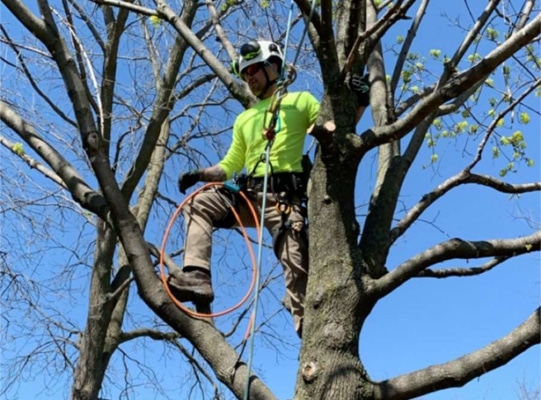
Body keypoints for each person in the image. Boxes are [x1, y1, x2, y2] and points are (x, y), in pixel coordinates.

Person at [169, 40, 370, 338]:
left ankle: (310, 335)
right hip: (250, 196)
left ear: (272, 67)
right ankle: (197, 275)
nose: (249, 77)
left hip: (285, 201)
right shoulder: (244, 119)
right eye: (245, 73)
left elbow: (334, 131)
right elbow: (230, 164)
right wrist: (201, 174)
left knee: (297, 267)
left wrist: (360, 102)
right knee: (199, 204)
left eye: (254, 70)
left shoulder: (299, 101)